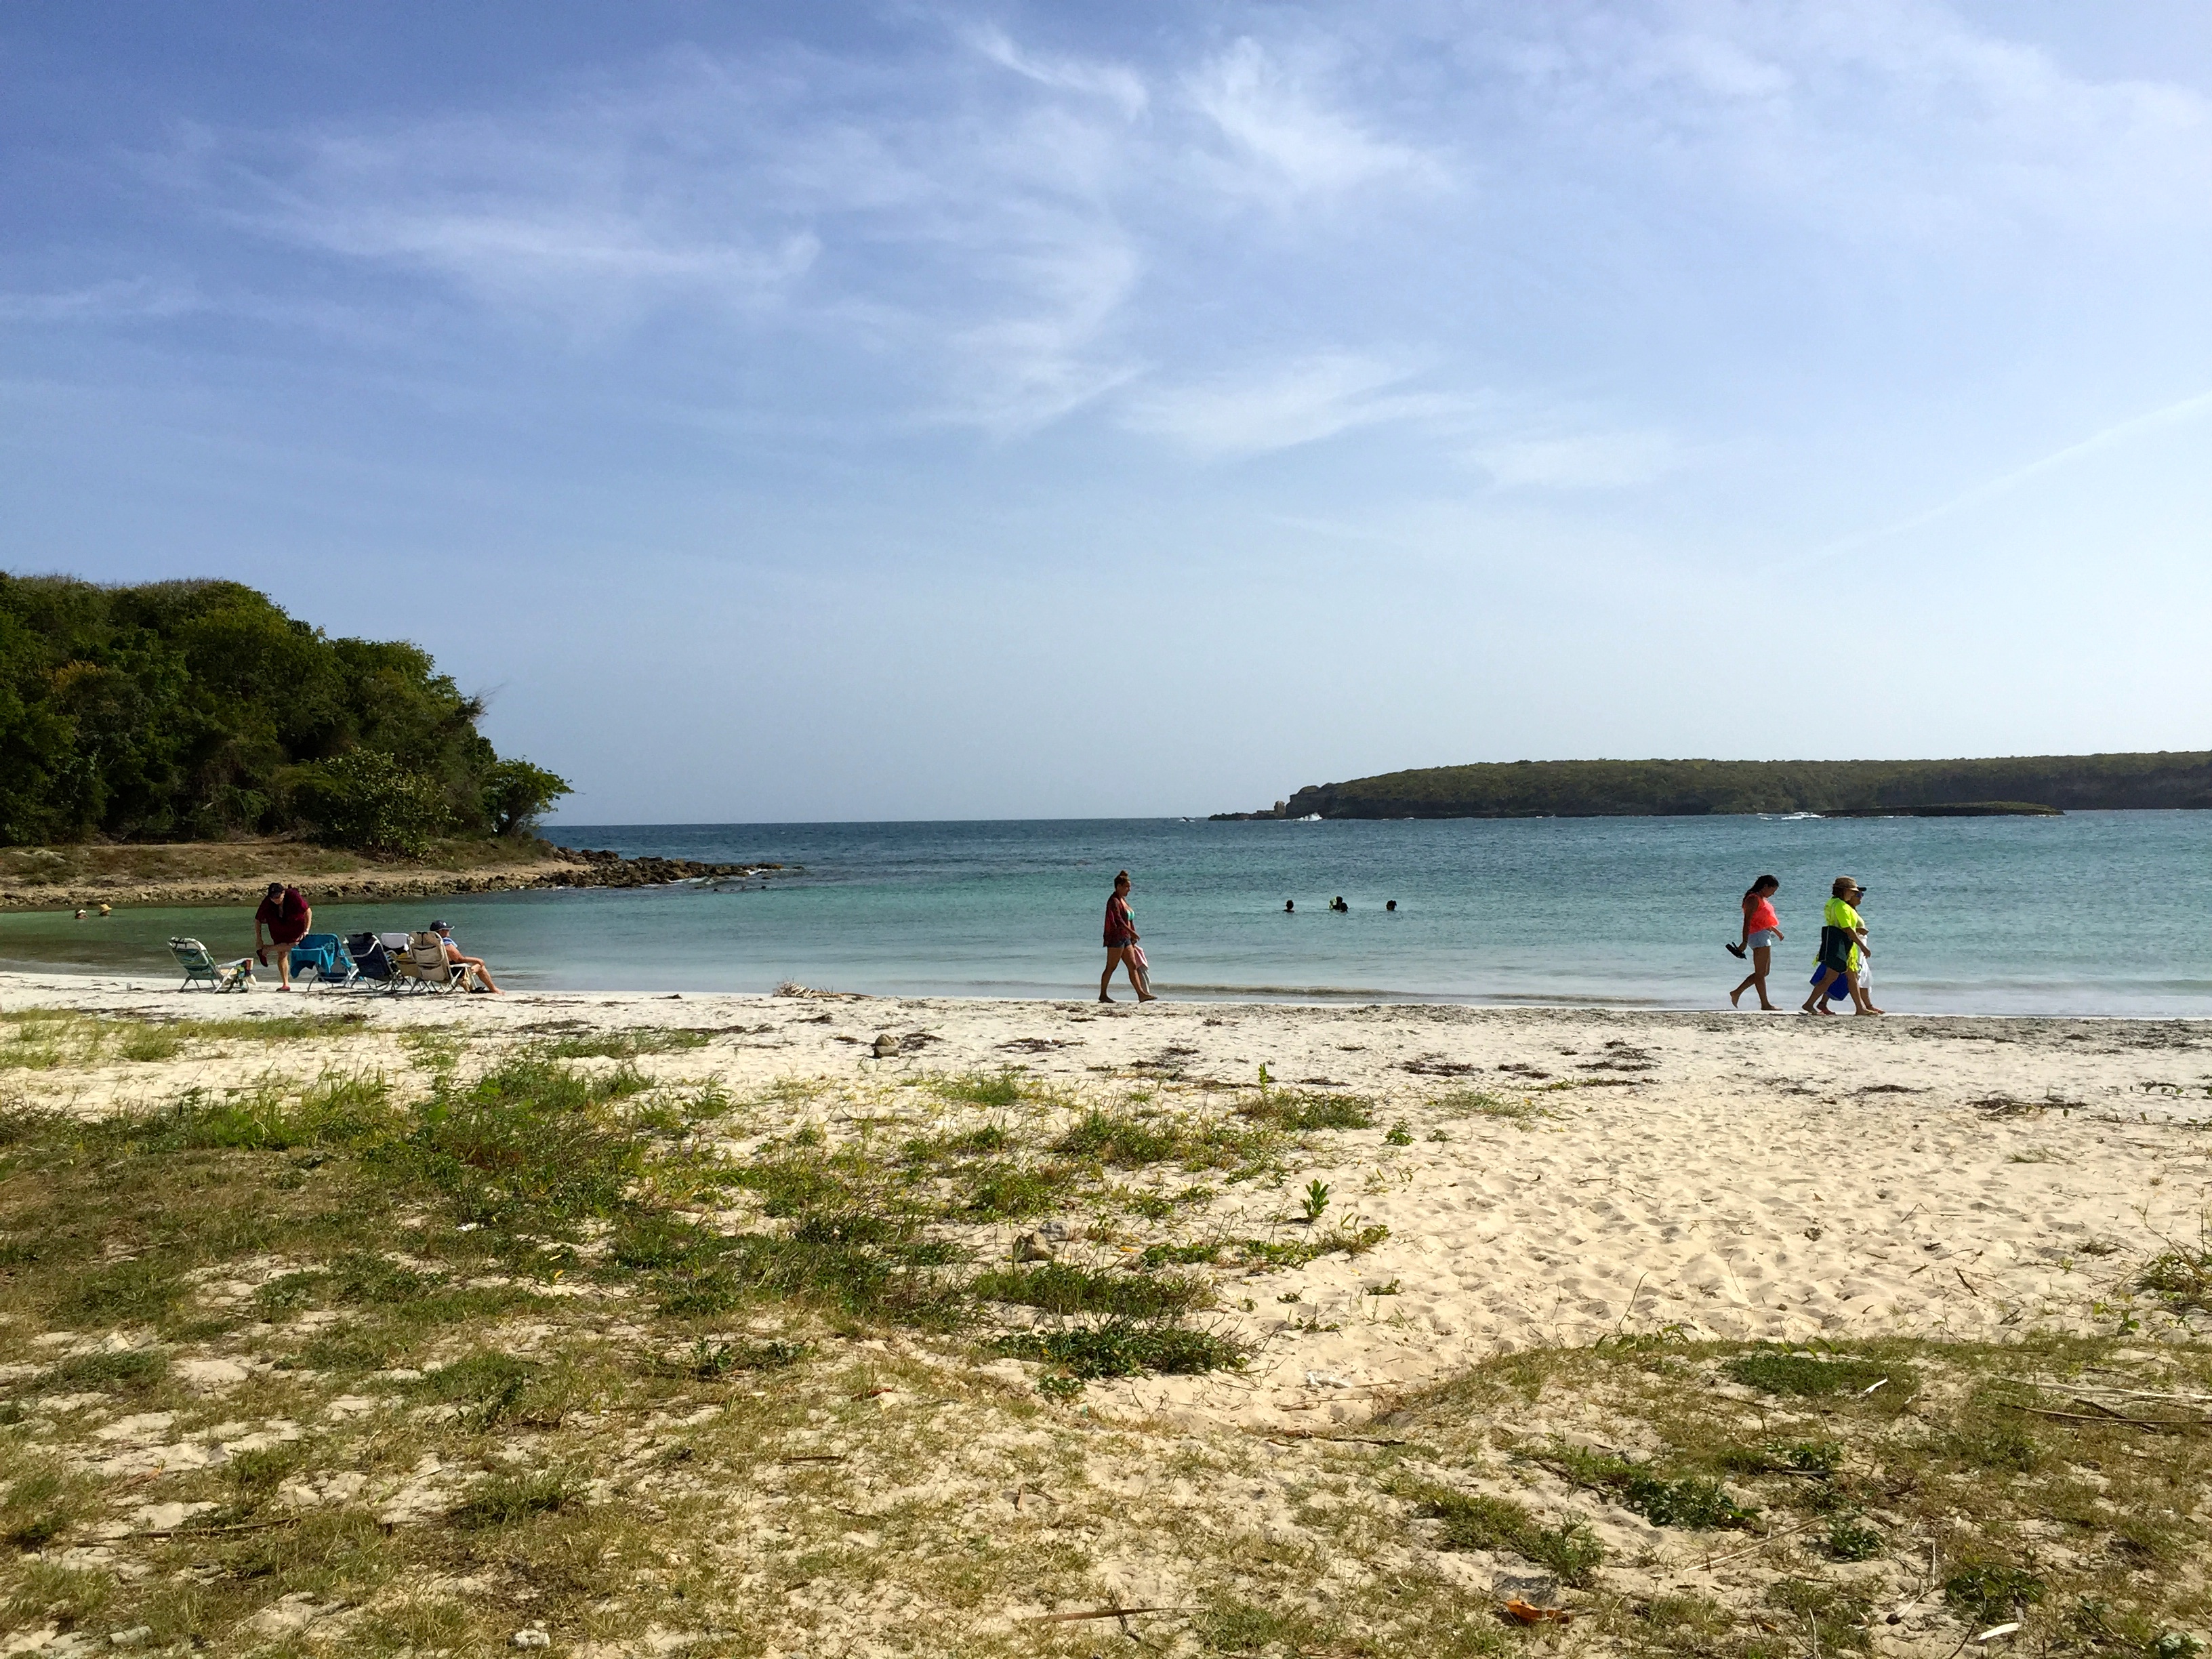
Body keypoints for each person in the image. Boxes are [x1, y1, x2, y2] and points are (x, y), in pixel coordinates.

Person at [1802, 877, 1868, 1015]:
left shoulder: (1832, 903)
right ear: (1844, 891)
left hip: (1841, 944)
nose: (1854, 894)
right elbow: (1847, 928)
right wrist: (1863, 946)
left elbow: (1838, 924)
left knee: (1852, 977)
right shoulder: (1841, 906)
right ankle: (1809, 1004)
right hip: (1841, 945)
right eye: (1852, 891)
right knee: (1830, 977)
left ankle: (1860, 1008)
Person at [1728, 874, 1784, 1010]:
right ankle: (1765, 1004)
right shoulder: (1753, 899)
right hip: (1758, 936)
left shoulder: (1759, 898)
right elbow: (1747, 921)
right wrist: (1744, 941)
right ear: (1765, 886)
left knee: (1764, 972)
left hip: (1763, 934)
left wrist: (1776, 931)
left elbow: (1761, 920)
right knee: (1760, 973)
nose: (1773, 894)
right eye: (1772, 890)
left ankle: (1737, 992)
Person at [1100, 871, 1154, 1003]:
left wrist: (1132, 935)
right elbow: (1118, 921)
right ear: (1119, 887)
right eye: (1127, 887)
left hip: (1126, 937)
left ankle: (1141, 994)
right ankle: (1103, 994)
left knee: (1133, 965)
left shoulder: (1123, 900)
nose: (1129, 890)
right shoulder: (1114, 901)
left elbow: (1129, 919)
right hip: (1115, 938)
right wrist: (1132, 932)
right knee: (1111, 967)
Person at [253, 882, 311, 990]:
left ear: (283, 893)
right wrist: (259, 939)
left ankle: (267, 949)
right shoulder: (268, 901)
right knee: (282, 954)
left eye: (278, 897)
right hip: (278, 926)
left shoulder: (294, 896)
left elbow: (308, 911)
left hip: (295, 925)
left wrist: (306, 930)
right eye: (273, 898)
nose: (275, 900)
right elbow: (258, 920)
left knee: (296, 945)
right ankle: (285, 984)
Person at [430, 920, 502, 994]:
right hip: (450, 974)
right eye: (447, 930)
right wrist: (478, 960)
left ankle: (471, 988)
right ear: (441, 932)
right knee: (480, 966)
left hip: (433, 973)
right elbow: (459, 959)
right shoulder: (445, 943)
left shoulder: (429, 943)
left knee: (463, 966)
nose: (449, 931)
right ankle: (494, 990)